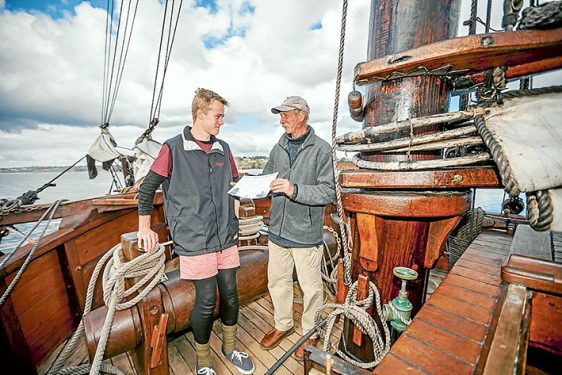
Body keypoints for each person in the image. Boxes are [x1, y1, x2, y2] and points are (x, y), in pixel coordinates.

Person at [137, 88, 255, 375]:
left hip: (225, 236)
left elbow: (235, 185)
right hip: (195, 239)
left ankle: (229, 347)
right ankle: (203, 361)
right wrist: (144, 227)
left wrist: (240, 210)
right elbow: (147, 188)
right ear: (200, 114)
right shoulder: (173, 147)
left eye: (222, 117)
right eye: (218, 116)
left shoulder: (223, 149)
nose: (221, 122)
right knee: (205, 302)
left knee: (229, 295)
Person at [259, 96, 336, 360]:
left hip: (305, 233)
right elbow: (267, 178)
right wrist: (254, 185)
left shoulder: (322, 149)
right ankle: (283, 324)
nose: (281, 120)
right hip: (277, 231)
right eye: (280, 116)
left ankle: (310, 331)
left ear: (301, 115)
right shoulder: (278, 147)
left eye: (285, 115)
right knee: (277, 283)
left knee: (311, 288)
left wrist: (294, 189)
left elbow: (328, 192)